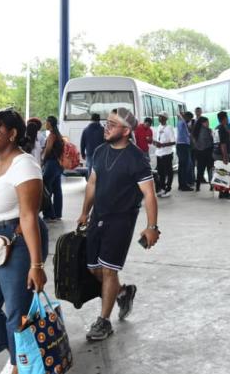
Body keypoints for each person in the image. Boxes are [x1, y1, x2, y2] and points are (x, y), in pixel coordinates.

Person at [0, 110, 50, 373]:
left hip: (18, 242)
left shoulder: (24, 165)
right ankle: (21, 353)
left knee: (17, 311)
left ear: (13, 134)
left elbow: (28, 215)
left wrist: (36, 265)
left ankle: (20, 364)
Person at [77, 107, 161, 341]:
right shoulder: (100, 150)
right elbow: (92, 183)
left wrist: (151, 226)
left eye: (113, 124)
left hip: (121, 220)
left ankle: (103, 322)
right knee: (94, 269)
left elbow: (149, 194)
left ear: (126, 131)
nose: (107, 127)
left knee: (108, 270)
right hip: (98, 218)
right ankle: (124, 292)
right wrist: (85, 212)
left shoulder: (137, 159)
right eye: (107, 122)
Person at [41, 116, 64, 221]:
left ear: (50, 123)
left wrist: (43, 160)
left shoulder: (52, 135)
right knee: (57, 189)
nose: (45, 124)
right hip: (58, 164)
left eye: (46, 122)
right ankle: (57, 213)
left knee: (46, 189)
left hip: (51, 164)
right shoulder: (58, 135)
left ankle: (49, 214)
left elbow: (48, 150)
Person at [214, 111, 230, 200]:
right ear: (224, 118)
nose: (228, 119)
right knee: (229, 174)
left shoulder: (217, 127)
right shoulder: (223, 128)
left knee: (221, 174)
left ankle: (221, 193)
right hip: (223, 154)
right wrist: (225, 156)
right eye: (227, 118)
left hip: (217, 153)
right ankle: (226, 192)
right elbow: (223, 144)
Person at [153, 112, 176, 198]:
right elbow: (159, 140)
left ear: (165, 118)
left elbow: (173, 142)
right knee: (161, 173)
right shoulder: (158, 127)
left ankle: (168, 189)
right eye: (159, 116)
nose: (159, 118)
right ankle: (162, 188)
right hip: (159, 153)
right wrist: (154, 142)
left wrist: (163, 145)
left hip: (167, 154)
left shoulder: (169, 128)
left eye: (161, 117)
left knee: (169, 172)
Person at [80, 113, 105, 177]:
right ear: (99, 120)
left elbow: (82, 143)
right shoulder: (103, 130)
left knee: (90, 171)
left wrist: (83, 154)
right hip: (101, 155)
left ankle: (91, 185)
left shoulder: (85, 130)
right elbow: (107, 143)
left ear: (91, 120)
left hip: (90, 155)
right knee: (101, 172)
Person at [192, 116, 214, 190]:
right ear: (203, 123)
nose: (208, 123)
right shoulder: (206, 131)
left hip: (199, 153)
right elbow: (209, 142)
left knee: (200, 170)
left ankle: (198, 186)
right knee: (209, 169)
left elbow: (195, 143)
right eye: (207, 122)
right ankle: (211, 185)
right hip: (207, 152)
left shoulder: (196, 131)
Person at [176, 111, 195, 191]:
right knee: (184, 166)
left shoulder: (182, 123)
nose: (189, 120)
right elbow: (180, 116)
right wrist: (182, 116)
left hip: (181, 145)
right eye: (189, 118)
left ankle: (182, 184)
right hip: (183, 146)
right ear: (186, 117)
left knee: (182, 166)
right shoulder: (182, 122)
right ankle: (183, 185)